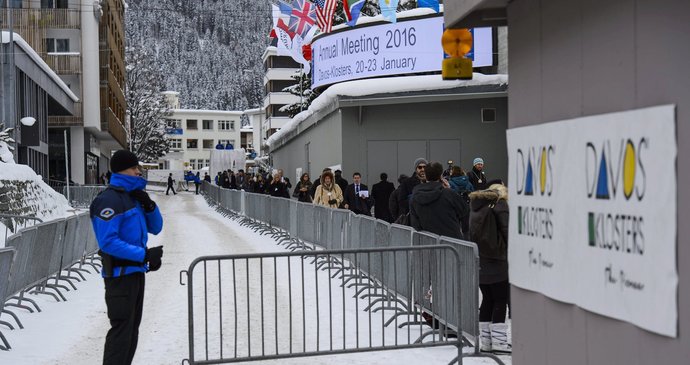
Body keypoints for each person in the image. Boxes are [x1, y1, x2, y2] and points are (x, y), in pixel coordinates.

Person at [89, 150, 164, 365]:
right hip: (120, 276)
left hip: (135, 274)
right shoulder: (109, 200)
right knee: (121, 332)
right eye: (134, 168)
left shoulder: (133, 198)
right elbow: (108, 242)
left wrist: (149, 206)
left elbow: (156, 227)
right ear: (122, 170)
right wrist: (144, 254)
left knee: (131, 332)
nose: (138, 172)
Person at [469, 183, 510, 353]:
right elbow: (507, 231)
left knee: (487, 299)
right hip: (498, 258)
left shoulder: (476, 206)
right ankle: (499, 342)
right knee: (500, 299)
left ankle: (486, 342)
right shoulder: (500, 205)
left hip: (481, 259)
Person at [409, 162, 468, 239]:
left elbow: (415, 224)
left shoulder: (414, 197)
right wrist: (450, 189)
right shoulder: (448, 194)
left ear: (426, 175)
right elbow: (464, 210)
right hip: (451, 242)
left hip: (428, 243)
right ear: (440, 176)